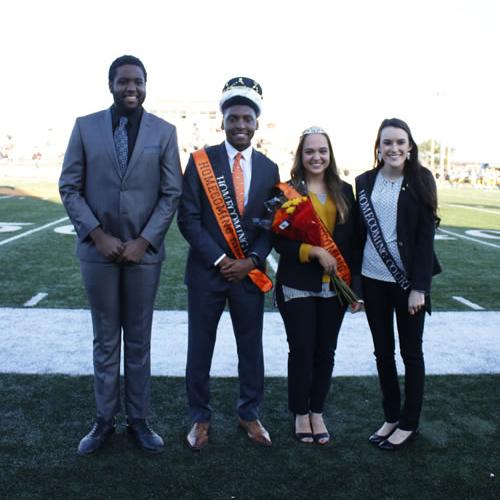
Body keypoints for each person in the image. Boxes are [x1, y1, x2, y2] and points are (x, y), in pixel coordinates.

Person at [59, 55, 182, 455]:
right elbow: (70, 187)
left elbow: (171, 193)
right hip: (99, 254)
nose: (132, 88)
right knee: (106, 339)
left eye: (138, 81)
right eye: (124, 81)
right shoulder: (85, 127)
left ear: (147, 85)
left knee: (140, 340)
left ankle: (139, 420)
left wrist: (144, 241)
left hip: (143, 254)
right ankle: (103, 421)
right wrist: (97, 235)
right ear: (110, 84)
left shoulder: (164, 132)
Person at [178, 77, 280, 450]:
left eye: (247, 119)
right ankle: (199, 419)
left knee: (250, 349)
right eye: (233, 118)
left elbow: (273, 225)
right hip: (208, 273)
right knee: (199, 350)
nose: (240, 125)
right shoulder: (201, 161)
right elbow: (187, 218)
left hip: (249, 275)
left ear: (257, 123)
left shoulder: (270, 169)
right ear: (222, 121)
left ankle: (249, 414)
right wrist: (222, 259)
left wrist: (252, 260)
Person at [355, 118, 441, 450]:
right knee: (382, 352)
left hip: (407, 284)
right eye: (387, 142)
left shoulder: (420, 179)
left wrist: (420, 287)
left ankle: (409, 423)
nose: (393, 148)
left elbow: (424, 239)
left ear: (409, 146)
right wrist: (355, 286)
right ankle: (391, 416)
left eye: (400, 142)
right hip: (372, 279)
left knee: (411, 353)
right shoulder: (363, 181)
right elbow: (359, 234)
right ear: (378, 146)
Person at [273, 127, 362, 445]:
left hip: (334, 289)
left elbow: (354, 245)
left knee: (326, 352)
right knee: (301, 351)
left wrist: (355, 290)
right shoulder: (286, 192)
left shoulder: (345, 192)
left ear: (330, 154)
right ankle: (300, 412)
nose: (316, 157)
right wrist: (312, 251)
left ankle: (317, 411)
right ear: (301, 155)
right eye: (310, 151)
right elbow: (278, 243)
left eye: (322, 151)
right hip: (297, 285)